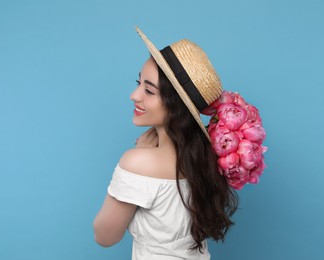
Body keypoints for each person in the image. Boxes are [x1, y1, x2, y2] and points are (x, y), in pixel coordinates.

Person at [93, 27, 240, 260]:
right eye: (139, 83)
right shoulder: (204, 158)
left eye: (149, 90)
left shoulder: (138, 161)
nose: (134, 94)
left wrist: (140, 152)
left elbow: (104, 236)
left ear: (175, 105)